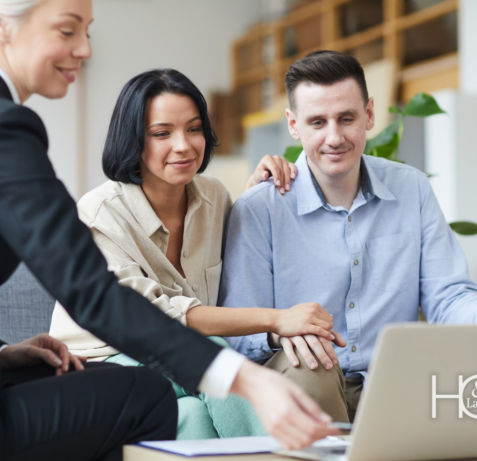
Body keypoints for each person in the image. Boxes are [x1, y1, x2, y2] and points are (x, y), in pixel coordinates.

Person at [0, 2, 339, 461]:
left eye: (86, 29)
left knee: (97, 389)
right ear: (1, 25)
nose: (84, 47)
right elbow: (94, 292)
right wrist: (244, 379)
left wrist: (2, 353)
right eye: (67, 30)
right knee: (144, 395)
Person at [220, 50, 477, 424]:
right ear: (293, 124)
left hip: (395, 382)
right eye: (317, 122)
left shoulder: (411, 189)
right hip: (305, 385)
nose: (334, 137)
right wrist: (278, 332)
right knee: (311, 364)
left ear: (368, 114)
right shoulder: (258, 209)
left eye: (346, 118)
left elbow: (446, 298)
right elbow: (237, 333)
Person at [50, 68, 346, 440]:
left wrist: (257, 194)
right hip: (101, 362)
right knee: (212, 352)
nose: (184, 145)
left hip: (176, 369)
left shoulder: (214, 197)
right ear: (132, 140)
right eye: (162, 133)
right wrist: (277, 319)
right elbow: (153, 317)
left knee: (189, 415)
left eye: (193, 129)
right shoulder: (99, 212)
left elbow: (242, 250)